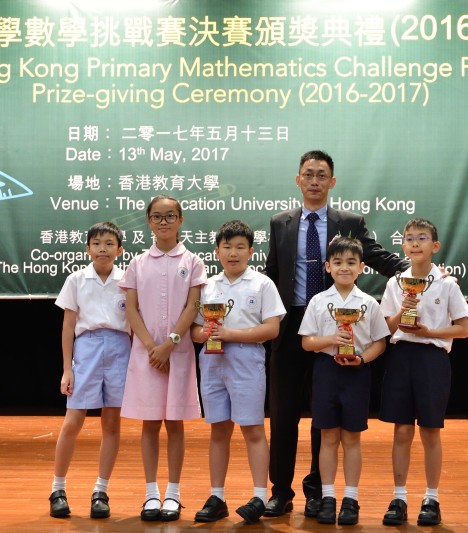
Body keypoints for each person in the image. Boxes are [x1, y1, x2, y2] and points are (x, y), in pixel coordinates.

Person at [263, 149, 409, 518]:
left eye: (321, 175)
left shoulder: (349, 222)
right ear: (298, 179)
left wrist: (417, 269)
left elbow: (376, 256)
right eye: (308, 174)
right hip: (291, 327)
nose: (314, 181)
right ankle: (280, 491)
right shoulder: (280, 223)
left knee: (323, 416)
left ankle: (318, 492)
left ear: (332, 181)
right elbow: (271, 273)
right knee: (282, 413)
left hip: (334, 326)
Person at [190, 220, 286, 525]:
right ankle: (217, 497)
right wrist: (205, 334)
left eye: (240, 247)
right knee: (218, 430)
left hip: (246, 359)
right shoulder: (206, 286)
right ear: (217, 251)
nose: (233, 253)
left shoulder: (262, 284)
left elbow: (272, 329)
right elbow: (194, 330)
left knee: (253, 429)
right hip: (212, 361)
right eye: (227, 247)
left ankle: (259, 496)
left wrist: (229, 334)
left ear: (251, 252)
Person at [118, 195, 207, 522]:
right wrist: (151, 347)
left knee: (175, 423)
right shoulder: (138, 263)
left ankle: (173, 493)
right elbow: (131, 309)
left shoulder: (193, 262)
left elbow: (193, 306)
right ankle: (151, 493)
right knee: (150, 423)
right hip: (146, 356)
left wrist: (169, 343)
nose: (164, 222)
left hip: (178, 353)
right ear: (149, 221)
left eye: (170, 216)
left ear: (180, 220)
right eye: (157, 216)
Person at [379, 217, 468, 527]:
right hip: (401, 357)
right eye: (409, 238)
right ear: (403, 246)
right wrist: (402, 310)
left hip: (432, 359)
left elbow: (463, 329)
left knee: (430, 431)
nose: (415, 243)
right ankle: (399, 498)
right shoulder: (395, 283)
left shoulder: (446, 283)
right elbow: (385, 327)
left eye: (422, 238)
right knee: (402, 431)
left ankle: (432, 498)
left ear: (435, 246)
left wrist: (430, 331)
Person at [298, 236, 390, 526]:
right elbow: (307, 343)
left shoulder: (368, 303)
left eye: (351, 262)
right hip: (326, 371)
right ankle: (328, 497)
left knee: (351, 438)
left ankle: (351, 498)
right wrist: (331, 339)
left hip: (357, 373)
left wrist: (361, 359)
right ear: (328, 267)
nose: (344, 268)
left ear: (362, 267)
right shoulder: (318, 301)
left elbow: (380, 343)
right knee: (327, 437)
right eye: (337, 262)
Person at [49, 221, 130, 519]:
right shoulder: (76, 279)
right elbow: (68, 326)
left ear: (119, 250)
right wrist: (66, 369)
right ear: (87, 249)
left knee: (112, 423)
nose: (102, 249)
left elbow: (135, 323)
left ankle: (101, 491)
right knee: (73, 420)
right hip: (87, 348)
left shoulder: (128, 280)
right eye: (96, 243)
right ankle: (58, 489)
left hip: (121, 350)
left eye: (109, 243)